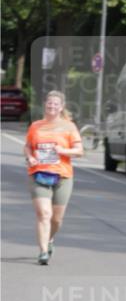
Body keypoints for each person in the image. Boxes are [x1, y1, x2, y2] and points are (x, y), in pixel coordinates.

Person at [24, 90, 83, 266]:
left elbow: (79, 151)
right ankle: (43, 252)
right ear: (45, 105)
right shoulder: (35, 126)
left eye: (55, 104)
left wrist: (63, 151)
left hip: (62, 176)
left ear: (61, 107)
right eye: (49, 103)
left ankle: (49, 240)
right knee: (44, 214)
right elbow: (27, 147)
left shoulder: (69, 126)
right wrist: (30, 157)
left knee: (56, 219)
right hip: (38, 173)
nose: (52, 106)